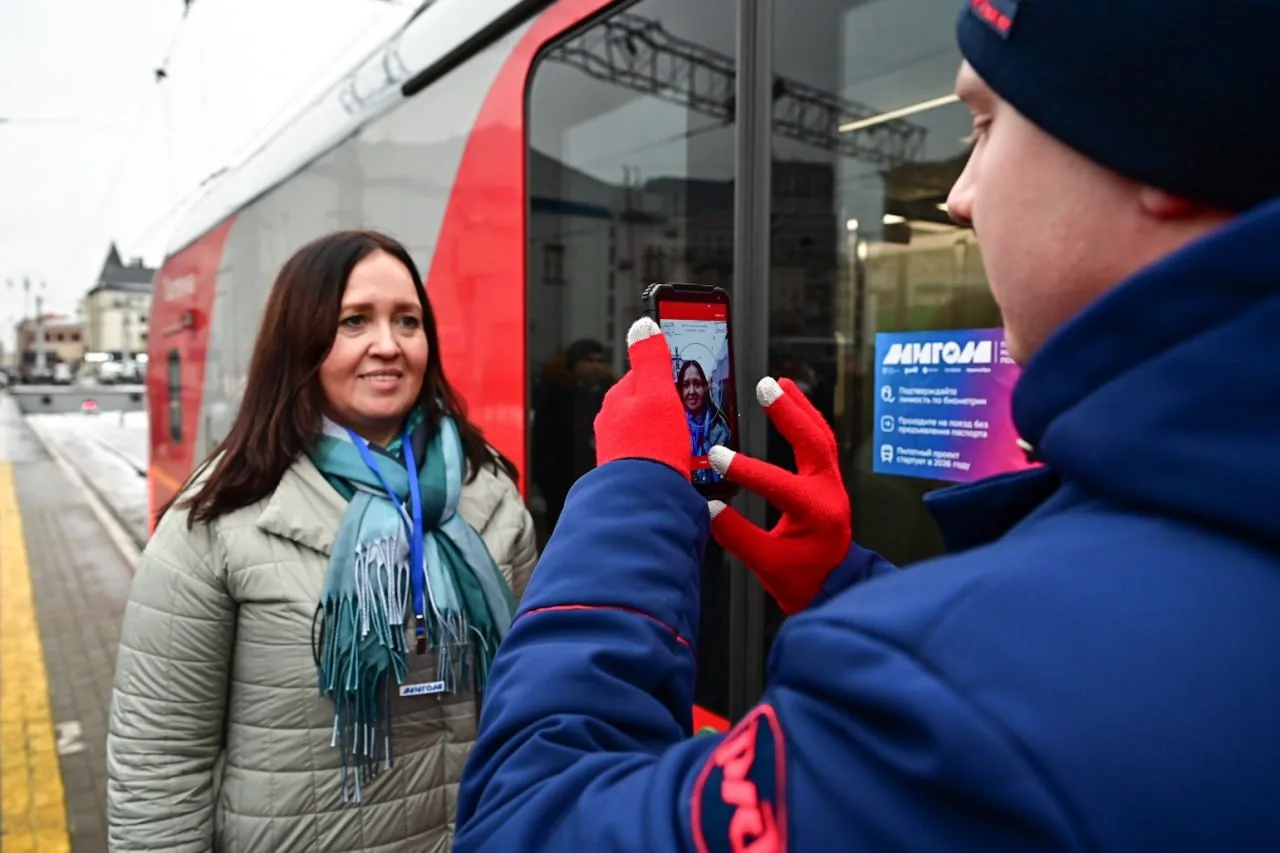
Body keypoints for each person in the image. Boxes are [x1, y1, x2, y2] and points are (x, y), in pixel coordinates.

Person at [453, 1, 1280, 849]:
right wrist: (844, 587)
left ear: (1157, 142)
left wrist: (630, 495)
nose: (958, 197)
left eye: (987, 127)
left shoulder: (951, 696)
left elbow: (523, 820)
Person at [106, 230, 537, 851]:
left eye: (408, 322)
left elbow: (538, 691)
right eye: (354, 321)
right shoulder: (220, 519)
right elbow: (159, 765)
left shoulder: (488, 491)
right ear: (300, 343)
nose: (387, 345)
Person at [676, 359, 731, 485]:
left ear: (705, 388)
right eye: (685, 385)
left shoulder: (721, 430)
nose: (691, 391)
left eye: (697, 384)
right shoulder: (672, 431)